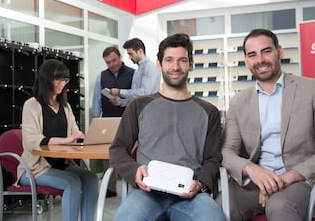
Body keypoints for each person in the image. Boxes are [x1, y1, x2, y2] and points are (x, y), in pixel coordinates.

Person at [222, 28, 315, 221]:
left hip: (305, 181)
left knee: (279, 206)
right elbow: (227, 151)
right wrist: (252, 170)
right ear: (246, 61)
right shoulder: (239, 101)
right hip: (257, 182)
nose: (260, 59)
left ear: (280, 51)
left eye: (266, 51)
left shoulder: (312, 89)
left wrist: (288, 177)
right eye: (252, 55)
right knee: (218, 207)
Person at [109, 33, 226, 220]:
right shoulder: (138, 106)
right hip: (147, 193)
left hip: (190, 196)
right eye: (169, 60)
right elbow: (117, 149)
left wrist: (200, 183)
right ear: (159, 64)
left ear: (191, 65)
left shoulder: (209, 112)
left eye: (182, 60)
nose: (175, 67)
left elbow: (213, 159)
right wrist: (134, 170)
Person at [18, 59, 98, 221]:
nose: (62, 83)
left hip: (62, 165)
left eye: (65, 79)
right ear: (46, 79)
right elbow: (31, 140)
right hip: (35, 169)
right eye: (58, 79)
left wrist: (81, 137)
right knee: (72, 182)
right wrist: (67, 139)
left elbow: (74, 131)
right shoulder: (31, 105)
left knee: (91, 178)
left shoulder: (66, 106)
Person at [92, 46, 135, 197]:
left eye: (113, 60)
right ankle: (109, 189)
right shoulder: (101, 76)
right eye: (108, 62)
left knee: (128, 153)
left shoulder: (132, 74)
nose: (111, 65)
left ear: (120, 57)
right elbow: (97, 99)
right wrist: (95, 121)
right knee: (107, 154)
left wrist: (122, 101)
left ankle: (131, 189)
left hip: (128, 119)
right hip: (108, 120)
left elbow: (136, 97)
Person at [109, 37, 161, 105]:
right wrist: (121, 102)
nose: (129, 57)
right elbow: (136, 98)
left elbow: (145, 93)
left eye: (131, 54)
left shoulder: (149, 67)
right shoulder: (139, 69)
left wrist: (119, 92)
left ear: (140, 51)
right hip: (140, 110)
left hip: (148, 111)